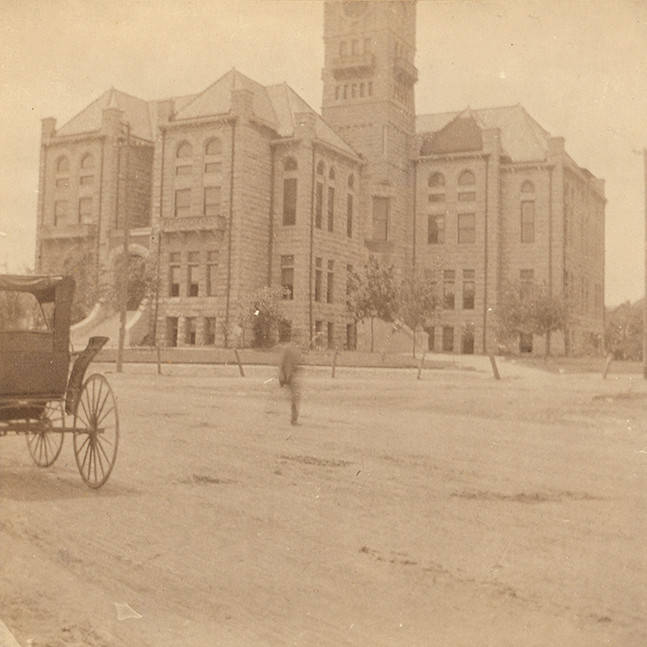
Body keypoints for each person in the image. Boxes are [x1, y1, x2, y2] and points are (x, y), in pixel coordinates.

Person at [278, 340, 302, 425]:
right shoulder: (287, 349)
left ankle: (294, 418)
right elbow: (281, 364)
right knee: (295, 397)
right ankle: (294, 419)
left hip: (292, 376)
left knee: (295, 397)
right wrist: (282, 376)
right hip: (289, 377)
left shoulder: (295, 349)